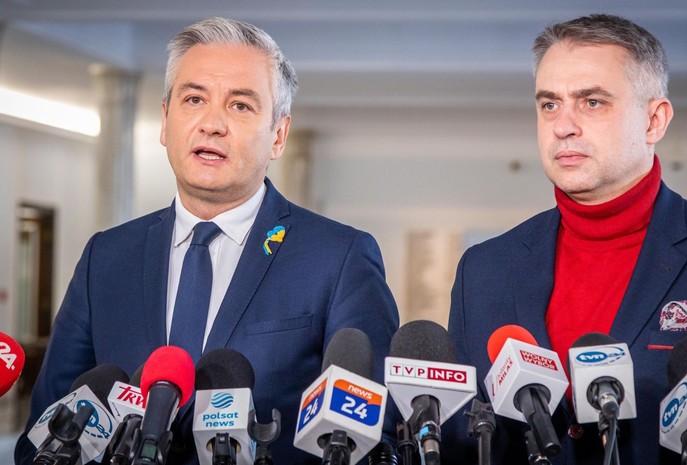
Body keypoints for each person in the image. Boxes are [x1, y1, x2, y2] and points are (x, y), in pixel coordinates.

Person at [15, 17, 399, 465]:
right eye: (194, 99)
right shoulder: (107, 256)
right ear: (165, 121)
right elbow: (43, 433)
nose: (212, 123)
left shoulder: (339, 257)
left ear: (278, 136)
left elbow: (376, 440)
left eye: (240, 106)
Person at [443, 14, 687, 465]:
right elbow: (461, 443)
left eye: (592, 102)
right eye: (549, 104)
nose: (563, 126)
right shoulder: (483, 270)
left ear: (654, 121)